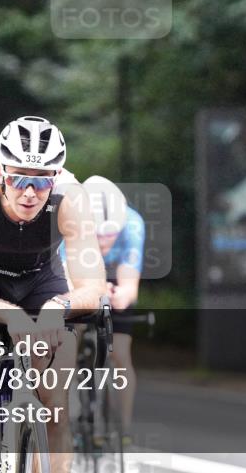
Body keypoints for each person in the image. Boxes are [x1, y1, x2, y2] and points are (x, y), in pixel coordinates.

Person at [0, 116, 106, 473]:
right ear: (1, 172)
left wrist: (58, 308)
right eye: (18, 178)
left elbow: (92, 286)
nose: (29, 192)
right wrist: (11, 315)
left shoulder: (71, 198)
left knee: (55, 404)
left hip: (41, 279)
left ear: (56, 178)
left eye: (40, 181)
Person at [60, 176, 144, 441]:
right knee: (68, 342)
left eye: (111, 235)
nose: (105, 242)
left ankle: (125, 428)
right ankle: (69, 410)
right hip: (78, 275)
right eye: (98, 236)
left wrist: (122, 295)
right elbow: (67, 279)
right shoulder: (69, 222)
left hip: (113, 278)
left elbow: (130, 285)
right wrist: (90, 294)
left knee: (120, 353)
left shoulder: (132, 224)